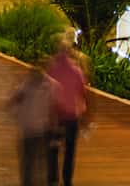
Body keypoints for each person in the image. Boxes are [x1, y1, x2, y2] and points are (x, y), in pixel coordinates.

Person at [45, 43, 89, 185]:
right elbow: (82, 92)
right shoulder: (76, 71)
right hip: (71, 116)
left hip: (55, 116)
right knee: (69, 151)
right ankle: (67, 179)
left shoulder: (51, 70)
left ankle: (53, 178)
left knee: (53, 149)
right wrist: (86, 113)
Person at [8, 67, 54, 186]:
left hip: (28, 130)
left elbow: (13, 100)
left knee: (28, 162)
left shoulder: (25, 86)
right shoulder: (47, 87)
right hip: (40, 129)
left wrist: (15, 114)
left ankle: (28, 182)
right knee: (39, 161)